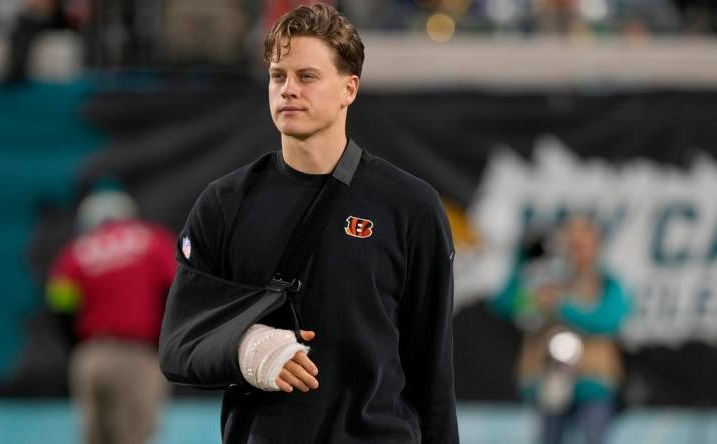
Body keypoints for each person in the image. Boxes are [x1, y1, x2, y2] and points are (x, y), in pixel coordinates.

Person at [160, 3, 459, 443]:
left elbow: (432, 369)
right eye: (278, 75)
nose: (288, 89)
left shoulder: (410, 206)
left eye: (307, 76)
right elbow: (180, 345)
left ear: (349, 89)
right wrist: (251, 348)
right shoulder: (224, 203)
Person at [46, 184, 176, 444]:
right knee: (135, 437)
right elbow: (176, 289)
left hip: (92, 356)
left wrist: (79, 347)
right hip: (138, 355)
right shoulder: (152, 241)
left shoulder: (76, 252)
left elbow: (59, 307)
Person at [490, 215, 632, 444]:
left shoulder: (607, 283)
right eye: (570, 245)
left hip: (593, 384)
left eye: (581, 245)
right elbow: (505, 305)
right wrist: (521, 263)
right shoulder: (545, 281)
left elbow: (609, 319)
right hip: (550, 384)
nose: (575, 252)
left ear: (596, 246)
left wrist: (561, 306)